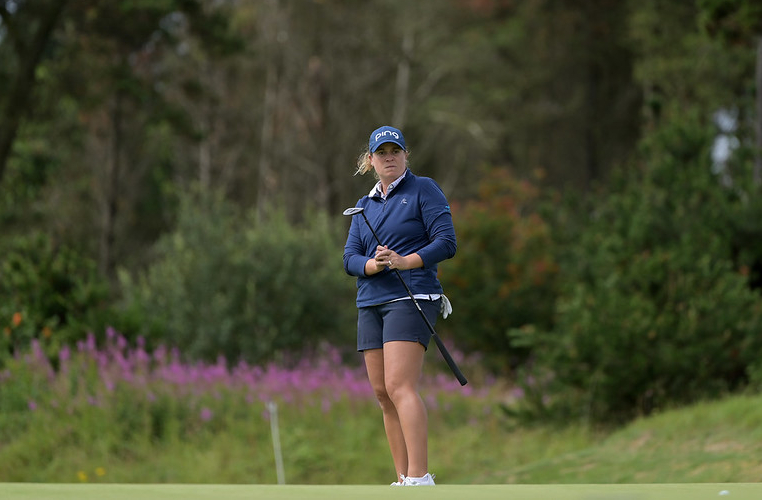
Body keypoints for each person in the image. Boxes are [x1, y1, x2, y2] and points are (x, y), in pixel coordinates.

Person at [343, 125, 457, 486]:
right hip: (370, 300)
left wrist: (405, 261)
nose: (389, 157)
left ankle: (420, 478)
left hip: (411, 296)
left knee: (399, 385)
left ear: (406, 155)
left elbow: (446, 242)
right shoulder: (363, 206)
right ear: (371, 160)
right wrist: (373, 265)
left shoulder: (424, 189)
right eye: (382, 153)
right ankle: (403, 479)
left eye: (395, 151)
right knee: (382, 393)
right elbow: (349, 258)